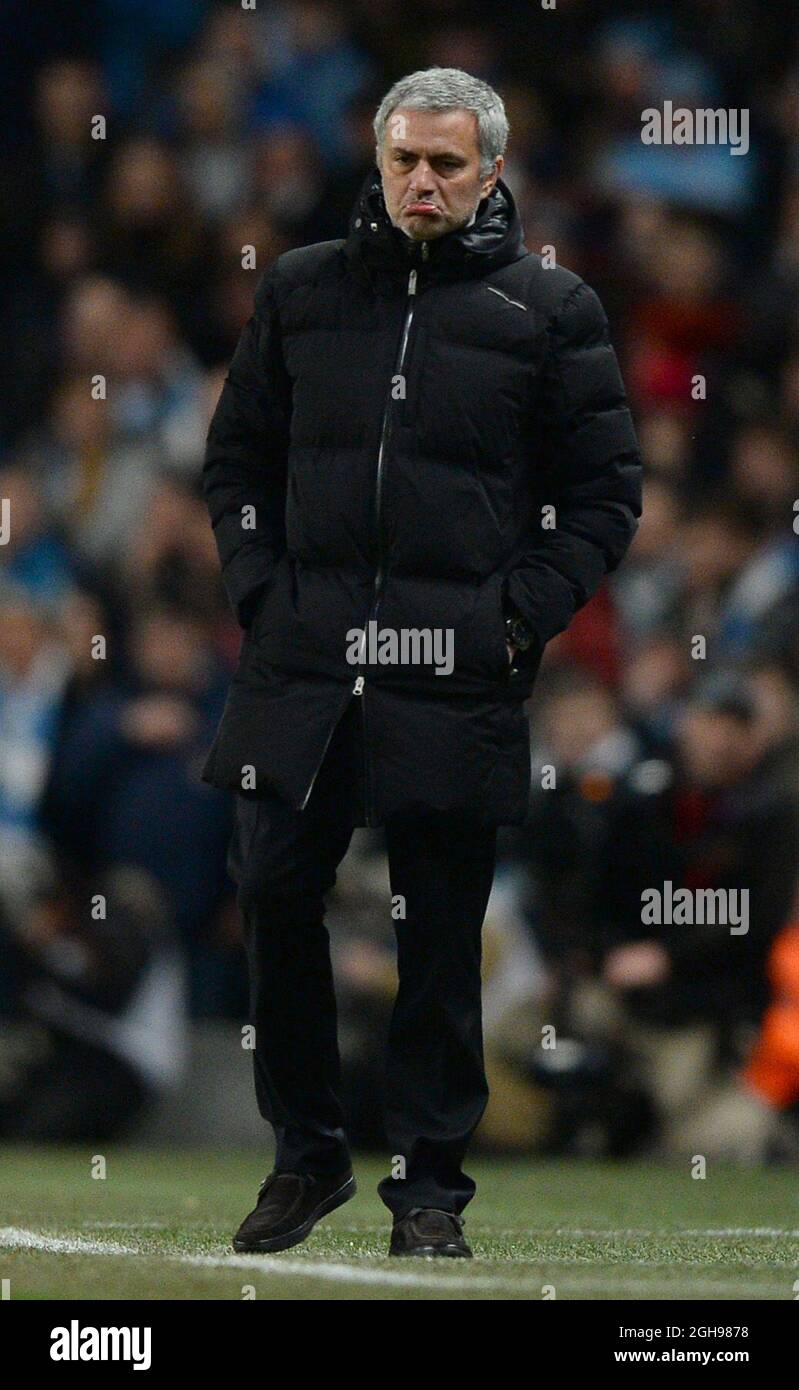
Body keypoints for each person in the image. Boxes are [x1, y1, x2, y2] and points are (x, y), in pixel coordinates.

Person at [201, 67, 642, 1257]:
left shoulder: (551, 310)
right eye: (405, 158)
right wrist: (262, 594)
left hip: (454, 668)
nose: (423, 180)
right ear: (381, 161)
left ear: (491, 171)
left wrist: (517, 618)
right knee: (273, 892)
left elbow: (603, 495)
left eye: (448, 162)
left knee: (438, 943)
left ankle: (431, 1190)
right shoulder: (301, 291)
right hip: (304, 665)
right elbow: (235, 463)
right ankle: (306, 1158)